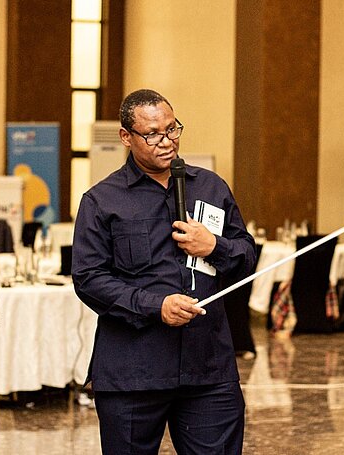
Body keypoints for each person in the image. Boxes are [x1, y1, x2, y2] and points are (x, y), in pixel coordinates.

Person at [72, 89, 256, 454]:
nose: (167, 141)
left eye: (173, 130)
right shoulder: (101, 200)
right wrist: (156, 306)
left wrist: (214, 246)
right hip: (133, 372)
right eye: (153, 133)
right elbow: (89, 279)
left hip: (207, 368)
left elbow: (247, 257)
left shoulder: (211, 186)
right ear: (126, 137)